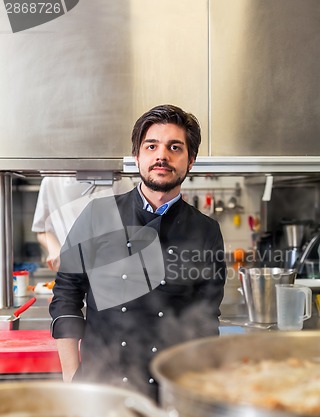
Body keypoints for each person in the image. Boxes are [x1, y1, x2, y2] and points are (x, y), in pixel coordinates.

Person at [49, 104, 226, 398]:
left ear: (190, 160)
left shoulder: (206, 231)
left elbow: (206, 323)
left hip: (172, 391)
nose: (162, 155)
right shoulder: (98, 215)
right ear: (137, 157)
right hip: (100, 388)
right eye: (151, 146)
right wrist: (71, 378)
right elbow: (66, 293)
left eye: (175, 147)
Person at [31, 176, 133, 271]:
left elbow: (133, 226)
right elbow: (42, 230)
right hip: (70, 268)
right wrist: (55, 250)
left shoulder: (119, 178)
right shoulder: (51, 180)